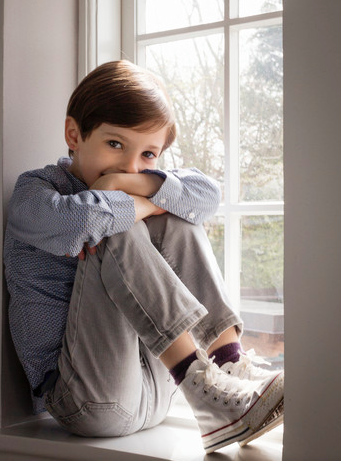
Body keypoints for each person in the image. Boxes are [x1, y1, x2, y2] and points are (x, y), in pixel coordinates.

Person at [4, 60, 283, 454]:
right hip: (84, 399)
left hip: (159, 390)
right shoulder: (36, 191)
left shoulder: (132, 177)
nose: (131, 164)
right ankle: (204, 385)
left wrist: (127, 183)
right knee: (116, 221)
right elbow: (79, 219)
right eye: (115, 144)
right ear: (74, 133)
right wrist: (141, 199)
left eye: (148, 154)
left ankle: (226, 364)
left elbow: (207, 195)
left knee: (177, 215)